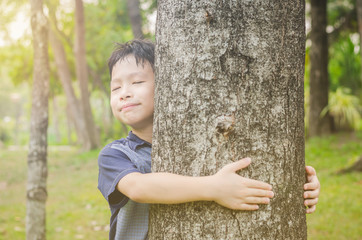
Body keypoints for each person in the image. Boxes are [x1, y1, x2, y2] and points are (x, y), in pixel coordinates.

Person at [98, 39, 320, 240]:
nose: (123, 93)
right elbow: (139, 188)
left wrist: (298, 185)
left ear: (167, 86)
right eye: (115, 87)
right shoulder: (116, 154)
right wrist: (214, 188)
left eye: (137, 82)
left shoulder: (198, 141)